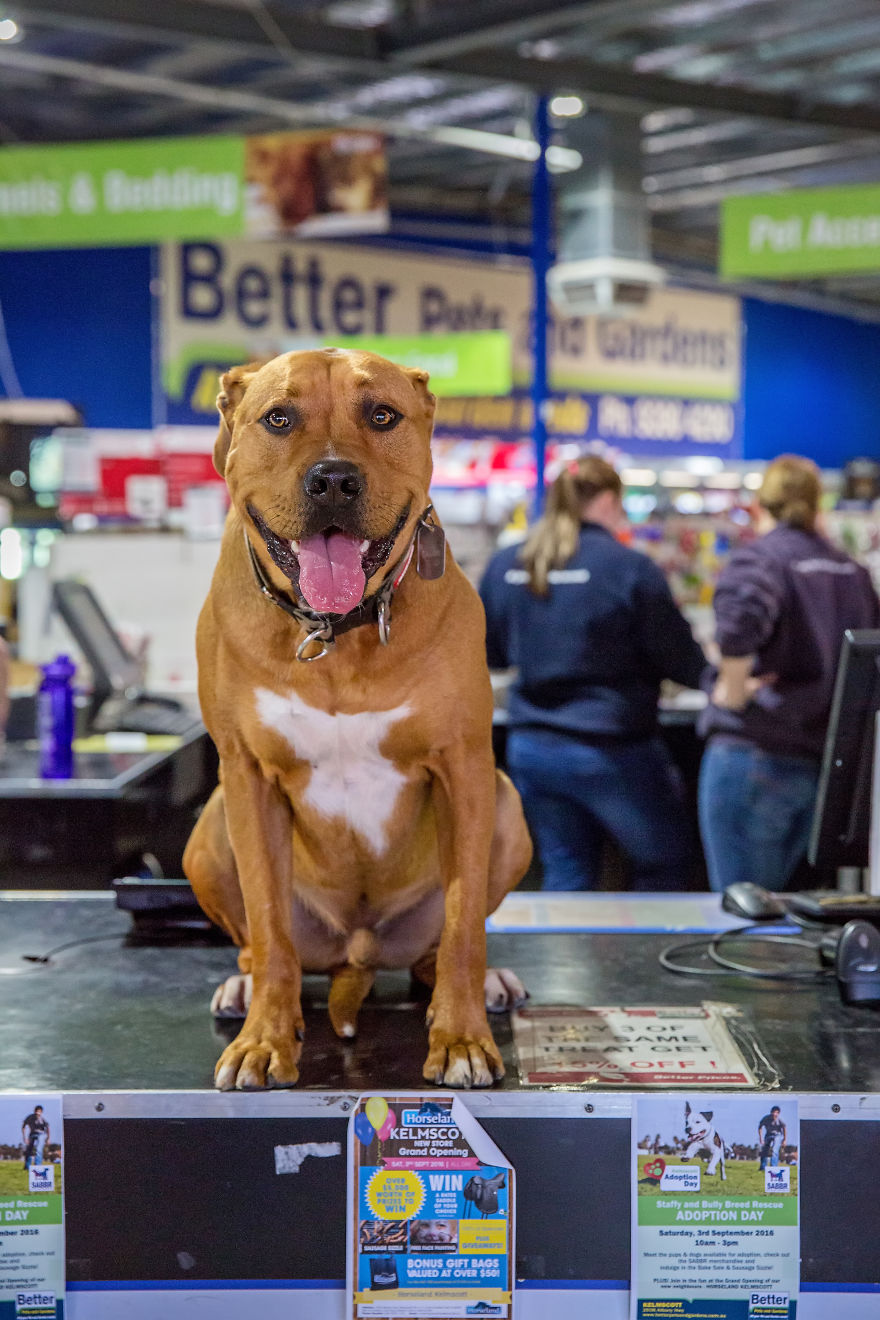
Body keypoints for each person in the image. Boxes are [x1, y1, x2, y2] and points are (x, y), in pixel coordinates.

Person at [479, 455, 707, 891]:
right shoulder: (629, 568)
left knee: (566, 871)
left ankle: (566, 940)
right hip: (613, 749)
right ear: (606, 501)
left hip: (532, 748)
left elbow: (490, 652)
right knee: (665, 864)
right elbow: (679, 659)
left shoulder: (508, 563)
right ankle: (646, 940)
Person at [698, 454, 880, 893]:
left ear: (761, 503)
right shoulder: (850, 570)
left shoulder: (761, 559)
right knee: (783, 908)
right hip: (821, 765)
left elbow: (738, 625)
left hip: (756, 754)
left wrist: (733, 688)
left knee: (742, 909)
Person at [22, 1104, 50, 1171]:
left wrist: (48, 1138)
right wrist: (24, 1137)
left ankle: (37, 1166)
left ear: (41, 1112)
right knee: (29, 1149)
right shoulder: (30, 1117)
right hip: (32, 1134)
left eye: (39, 1112)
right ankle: (27, 1167)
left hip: (41, 1134)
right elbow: (23, 1127)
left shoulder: (43, 1119)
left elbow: (48, 1128)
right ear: (34, 1111)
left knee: (38, 1149)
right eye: (37, 1111)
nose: (38, 1113)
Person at [758, 1105, 786, 1170]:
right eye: (773, 1112)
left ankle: (773, 1168)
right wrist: (760, 1138)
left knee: (775, 1150)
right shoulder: (766, 1118)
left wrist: (784, 1140)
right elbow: (760, 1127)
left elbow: (784, 1128)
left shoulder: (780, 1120)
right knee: (764, 1150)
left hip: (777, 1135)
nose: (774, 1114)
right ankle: (762, 1167)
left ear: (778, 1113)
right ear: (771, 1112)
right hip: (768, 1134)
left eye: (776, 1113)